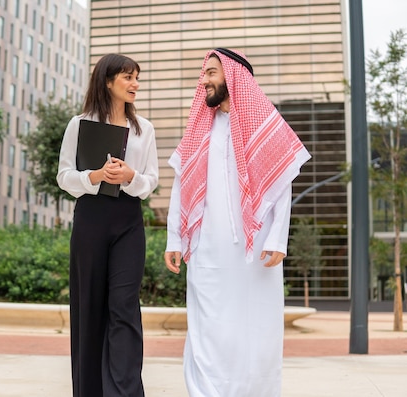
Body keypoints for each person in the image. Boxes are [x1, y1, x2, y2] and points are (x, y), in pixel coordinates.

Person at [164, 48, 311, 396]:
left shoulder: (264, 124)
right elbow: (181, 186)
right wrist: (175, 239)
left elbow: (281, 187)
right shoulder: (200, 128)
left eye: (211, 73)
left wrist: (278, 238)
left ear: (234, 76)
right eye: (204, 74)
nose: (204, 81)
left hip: (255, 252)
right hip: (206, 248)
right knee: (207, 328)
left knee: (255, 330)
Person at [57, 53, 159, 397]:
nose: (135, 84)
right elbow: (64, 176)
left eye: (136, 78)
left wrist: (130, 177)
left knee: (125, 306)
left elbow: (152, 181)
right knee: (89, 306)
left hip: (128, 220)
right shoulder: (79, 124)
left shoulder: (144, 129)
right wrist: (96, 176)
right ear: (107, 81)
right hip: (91, 218)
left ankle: (125, 391)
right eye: (128, 78)